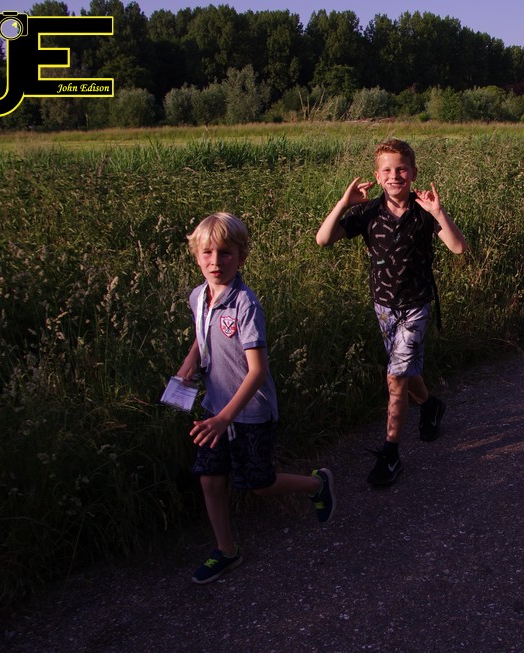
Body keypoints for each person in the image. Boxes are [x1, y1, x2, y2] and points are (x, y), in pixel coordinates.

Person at [177, 212, 335, 584]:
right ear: (196, 255)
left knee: (258, 483)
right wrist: (189, 362)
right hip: (215, 408)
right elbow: (202, 334)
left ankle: (317, 484)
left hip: (248, 412)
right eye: (207, 253)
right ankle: (226, 550)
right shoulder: (199, 296)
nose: (215, 262)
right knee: (210, 479)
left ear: (241, 256)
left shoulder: (245, 305)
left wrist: (225, 419)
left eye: (225, 253)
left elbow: (257, 371)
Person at [315, 139, 467, 486]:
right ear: (377, 175)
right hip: (383, 306)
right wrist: (344, 203)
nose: (394, 176)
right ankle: (429, 406)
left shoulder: (424, 211)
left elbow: (458, 248)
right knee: (405, 371)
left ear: (413, 173)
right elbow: (323, 239)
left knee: (396, 378)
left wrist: (439, 212)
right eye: (387, 170)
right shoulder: (367, 212)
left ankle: (391, 453)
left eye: (401, 169)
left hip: (416, 307)